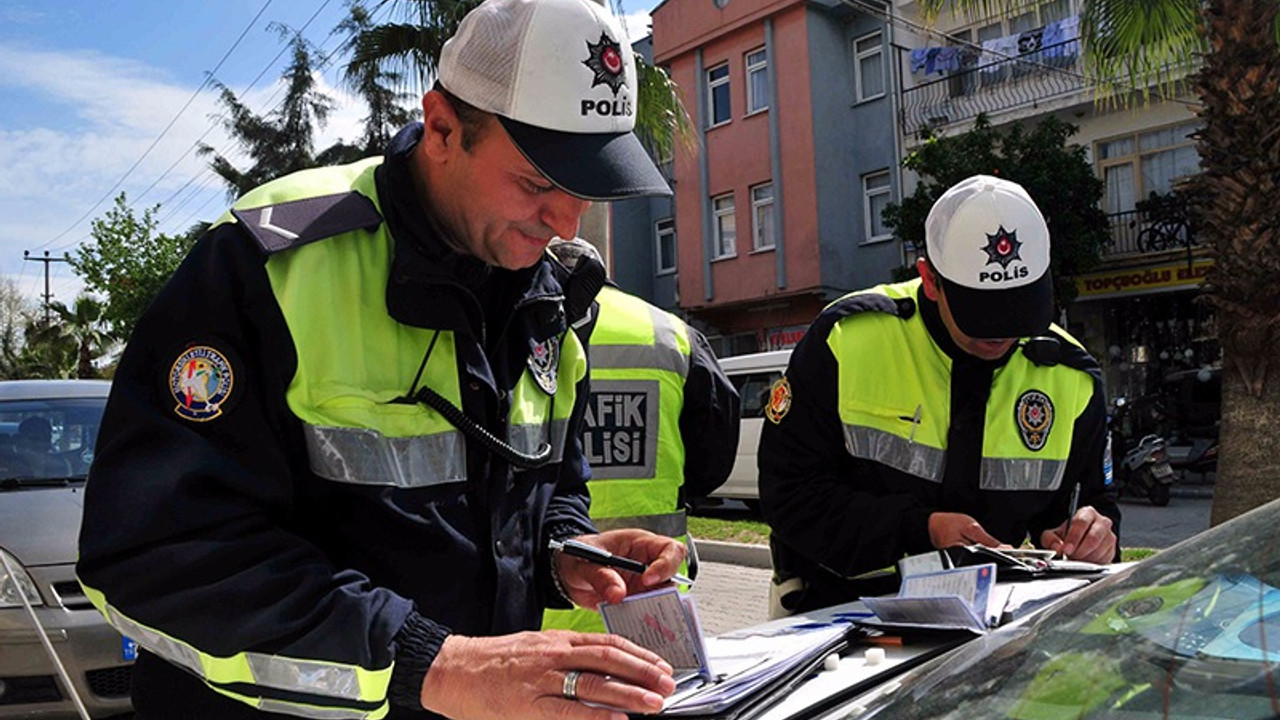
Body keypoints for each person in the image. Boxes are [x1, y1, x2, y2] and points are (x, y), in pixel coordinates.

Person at [75, 0, 689, 718]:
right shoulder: (269, 266)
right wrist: (435, 662)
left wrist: (563, 553)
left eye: (586, 189)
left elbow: (550, 486)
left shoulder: (545, 296)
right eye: (535, 181)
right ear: (441, 128)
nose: (566, 220)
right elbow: (156, 556)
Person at [758, 175, 1121, 616]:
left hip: (993, 622)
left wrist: (1094, 535)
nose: (1003, 333)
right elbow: (789, 496)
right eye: (983, 314)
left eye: (1021, 308)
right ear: (930, 279)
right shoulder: (847, 340)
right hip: (838, 612)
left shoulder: (1071, 375)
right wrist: (921, 529)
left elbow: (1090, 506)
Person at [543, 238, 741, 633]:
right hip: (649, 601)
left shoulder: (518, 329)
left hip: (542, 609)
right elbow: (712, 463)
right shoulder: (672, 333)